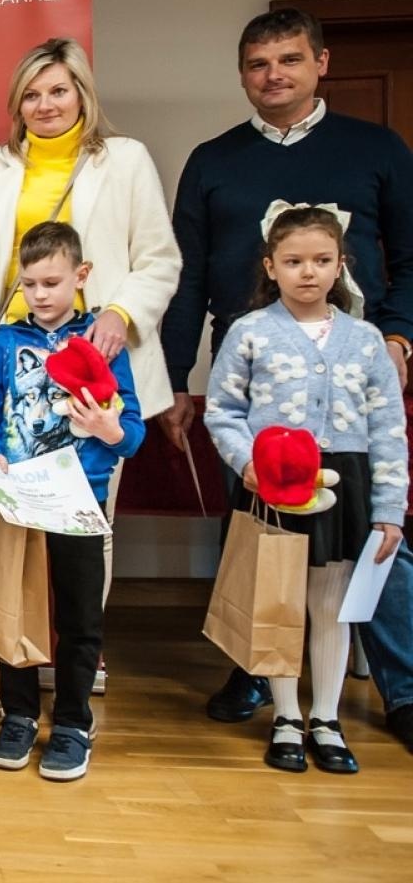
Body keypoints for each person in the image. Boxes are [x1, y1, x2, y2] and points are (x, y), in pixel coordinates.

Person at [158, 8, 413, 742]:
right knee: (255, 535)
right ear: (243, 73)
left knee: (373, 538)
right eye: (259, 63)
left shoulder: (377, 149)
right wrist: (177, 378)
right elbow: (190, 277)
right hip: (259, 389)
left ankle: (402, 687)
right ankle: (252, 668)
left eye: (290, 60)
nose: (275, 75)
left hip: (357, 384)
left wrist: (398, 335)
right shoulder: (214, 160)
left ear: (321, 63)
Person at [0, 37, 180, 733]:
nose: (45, 105)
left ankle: (78, 675)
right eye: (32, 94)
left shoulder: (125, 159)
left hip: (93, 369)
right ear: (17, 105)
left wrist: (119, 311)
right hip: (6, 372)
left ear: (82, 93)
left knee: (85, 534)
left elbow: (157, 258)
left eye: (58, 90)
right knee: (5, 533)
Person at [204, 205, 408, 774]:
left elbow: (390, 429)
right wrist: (248, 463)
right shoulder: (249, 332)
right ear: (271, 266)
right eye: (294, 261)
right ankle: (287, 715)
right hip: (274, 483)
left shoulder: (366, 340)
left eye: (322, 261)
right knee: (281, 600)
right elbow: (222, 412)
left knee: (331, 605)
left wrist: (390, 509)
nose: (308, 273)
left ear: (341, 265)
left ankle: (327, 716)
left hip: (347, 483)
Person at [0, 222, 146, 782]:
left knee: (79, 616)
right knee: (16, 608)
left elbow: (133, 432)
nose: (40, 295)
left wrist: (107, 428)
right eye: (29, 284)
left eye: (51, 282)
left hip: (80, 499)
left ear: (80, 276)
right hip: (17, 499)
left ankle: (71, 721)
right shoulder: (5, 342)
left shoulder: (100, 342)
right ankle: (19, 713)